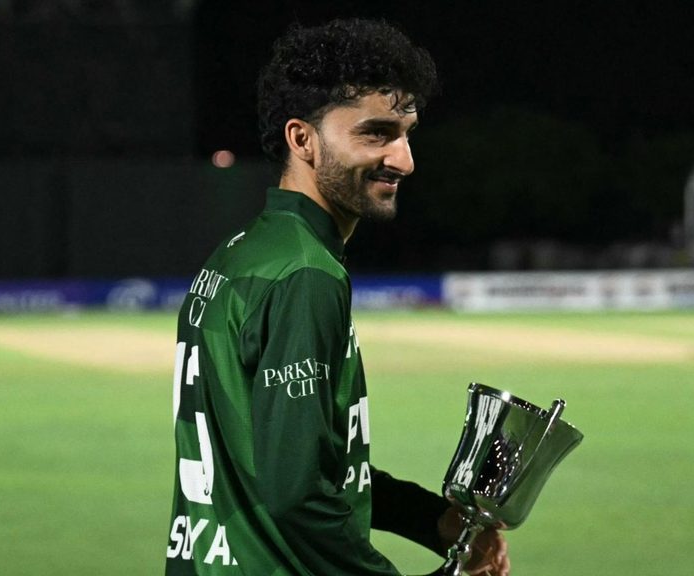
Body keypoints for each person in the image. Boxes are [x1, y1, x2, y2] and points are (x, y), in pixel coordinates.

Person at [165, 18, 510, 576]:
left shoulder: (243, 252)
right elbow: (297, 497)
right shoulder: (306, 274)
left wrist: (434, 521)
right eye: (376, 134)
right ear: (302, 139)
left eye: (406, 134)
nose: (404, 160)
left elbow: (302, 467)